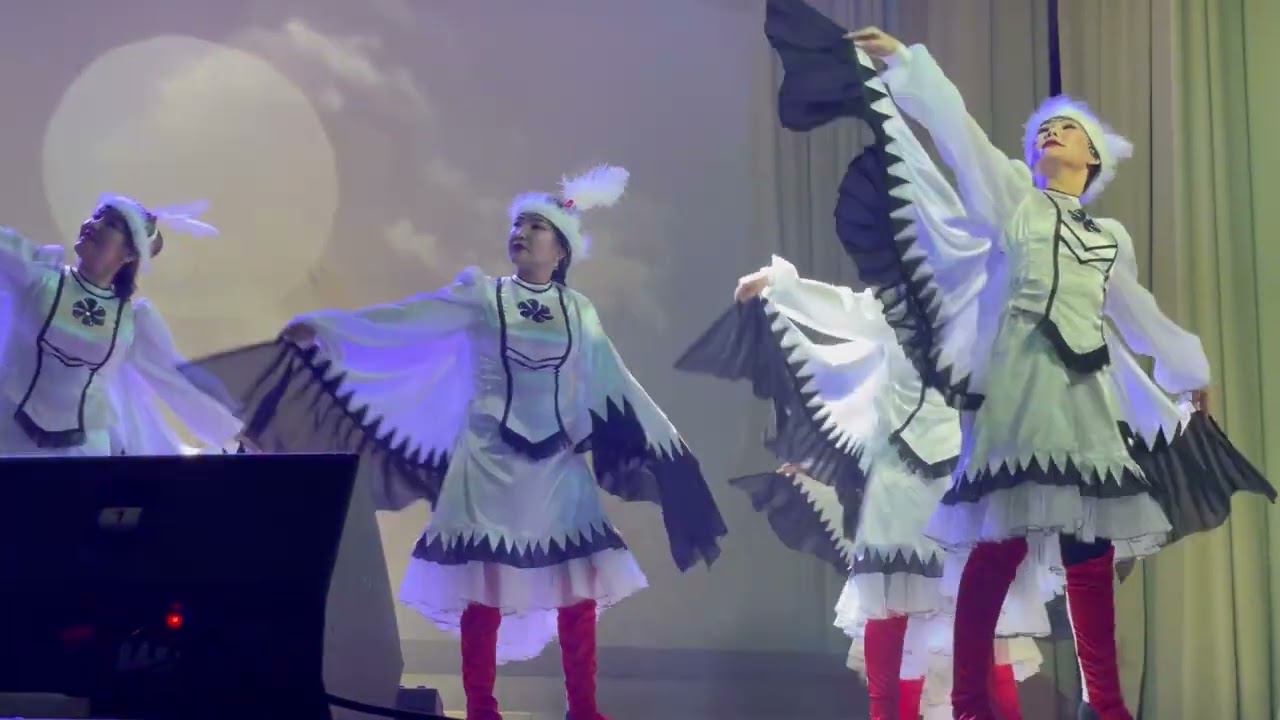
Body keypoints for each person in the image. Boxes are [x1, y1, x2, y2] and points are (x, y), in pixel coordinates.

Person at [761, 1, 1273, 717]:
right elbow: (961, 137)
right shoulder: (1013, 202)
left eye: (1067, 130)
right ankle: (971, 699)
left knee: (1090, 549)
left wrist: (1188, 374)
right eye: (1042, 132)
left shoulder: (1109, 238)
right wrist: (908, 66)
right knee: (997, 545)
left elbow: (1136, 313)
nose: (1051, 135)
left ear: (1091, 158)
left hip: (1085, 400)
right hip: (1020, 394)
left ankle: (1106, 702)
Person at [181, 165, 727, 720]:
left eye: (536, 226)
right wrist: (329, 332)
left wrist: (665, 445)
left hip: (557, 461)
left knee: (577, 583)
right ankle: (482, 708)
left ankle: (583, 707)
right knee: (483, 585)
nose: (521, 233)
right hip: (489, 459)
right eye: (517, 225)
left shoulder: (578, 310)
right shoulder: (482, 296)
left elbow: (612, 379)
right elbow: (408, 321)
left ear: (560, 250)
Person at [678, 253, 1049, 719]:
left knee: (980, 619)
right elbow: (842, 308)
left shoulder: (988, 317)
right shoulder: (895, 308)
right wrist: (779, 282)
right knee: (892, 610)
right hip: (899, 482)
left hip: (961, 477)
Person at [0, 194, 241, 456]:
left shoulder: (131, 322)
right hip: (9, 439)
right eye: (96, 216)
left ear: (129, 253)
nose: (94, 224)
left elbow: (175, 382)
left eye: (111, 224)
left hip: (83, 452)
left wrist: (235, 434)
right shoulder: (37, 276)